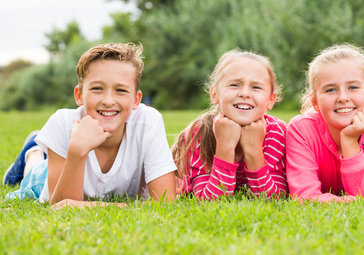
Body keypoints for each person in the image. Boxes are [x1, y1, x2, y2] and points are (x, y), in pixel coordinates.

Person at [4, 43, 177, 207]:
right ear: (79, 95)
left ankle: (36, 145)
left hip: (63, 161)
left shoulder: (148, 121)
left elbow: (165, 201)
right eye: (97, 89)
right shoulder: (63, 123)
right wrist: (77, 151)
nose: (109, 101)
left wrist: (117, 207)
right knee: (33, 174)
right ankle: (32, 152)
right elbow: (60, 206)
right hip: (49, 174)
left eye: (121, 90)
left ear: (136, 100)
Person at [286, 44, 364, 202]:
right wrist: (349, 201)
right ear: (315, 102)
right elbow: (305, 197)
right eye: (330, 90)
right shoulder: (301, 130)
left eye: (353, 87)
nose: (342, 97)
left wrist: (350, 142)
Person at [171, 50, 286, 199]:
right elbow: (209, 203)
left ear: (271, 99)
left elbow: (272, 200)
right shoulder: (199, 133)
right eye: (234, 85)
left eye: (256, 87)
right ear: (215, 95)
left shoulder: (276, 133)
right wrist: (224, 148)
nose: (245, 93)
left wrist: (254, 151)